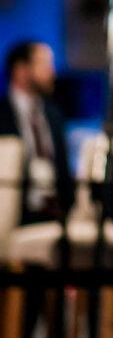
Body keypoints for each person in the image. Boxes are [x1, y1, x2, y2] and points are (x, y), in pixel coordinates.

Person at [1, 40, 73, 226]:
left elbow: (64, 172)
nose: (53, 73)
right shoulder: (2, 113)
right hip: (16, 214)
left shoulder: (54, 115)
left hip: (55, 214)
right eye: (45, 65)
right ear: (21, 70)